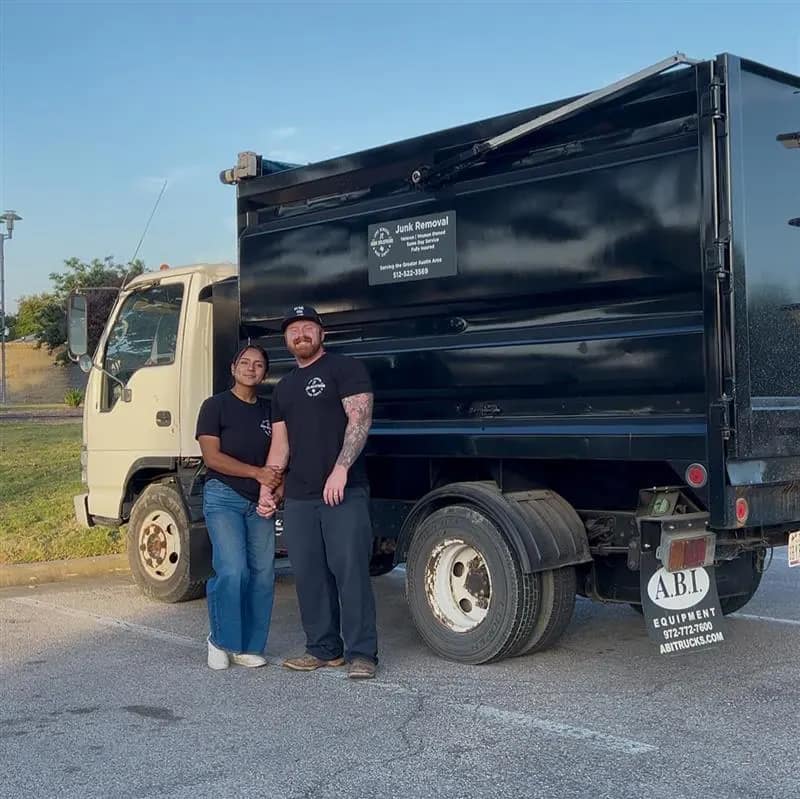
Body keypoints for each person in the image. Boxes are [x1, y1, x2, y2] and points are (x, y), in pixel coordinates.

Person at [260, 305, 378, 680]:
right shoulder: (284, 388)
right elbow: (280, 446)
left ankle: (363, 654)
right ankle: (324, 649)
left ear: (321, 334)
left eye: (308, 327)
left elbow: (359, 421)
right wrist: (270, 486)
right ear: (286, 340)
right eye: (293, 330)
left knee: (350, 572)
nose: (300, 335)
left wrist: (340, 469)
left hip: (343, 491)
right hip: (299, 496)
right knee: (309, 574)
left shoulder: (346, 369)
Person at [195, 344, 283, 671]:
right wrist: (256, 473)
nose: (251, 368)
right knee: (234, 569)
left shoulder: (270, 410)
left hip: (260, 500)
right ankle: (221, 639)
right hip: (224, 496)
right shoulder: (214, 406)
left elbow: (281, 454)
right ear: (233, 368)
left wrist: (275, 489)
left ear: (265, 372)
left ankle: (249, 645)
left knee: (263, 575)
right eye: (245, 362)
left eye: (258, 364)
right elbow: (212, 457)